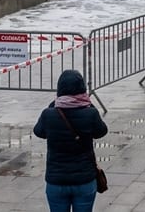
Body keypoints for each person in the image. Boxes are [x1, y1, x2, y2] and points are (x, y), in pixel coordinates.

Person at [33, 69, 108, 211]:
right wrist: (88, 103)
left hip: (56, 181)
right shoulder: (90, 113)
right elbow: (102, 131)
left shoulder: (48, 114)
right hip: (84, 180)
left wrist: (56, 102)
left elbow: (39, 132)